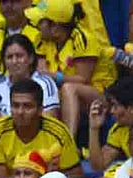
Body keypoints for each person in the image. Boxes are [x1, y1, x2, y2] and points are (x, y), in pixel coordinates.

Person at [24, 0, 118, 135]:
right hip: (61, 92)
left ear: (55, 27)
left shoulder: (83, 39)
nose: (36, 26)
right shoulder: (42, 39)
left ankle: (68, 141)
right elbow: (41, 71)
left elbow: (83, 79)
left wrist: (56, 77)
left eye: (41, 22)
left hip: (99, 94)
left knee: (69, 88)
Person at [0, 79, 83, 178]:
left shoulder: (59, 133)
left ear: (40, 110)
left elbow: (76, 177)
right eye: (15, 106)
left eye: (27, 106)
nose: (20, 112)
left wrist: (51, 177)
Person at [0, 33, 59, 125]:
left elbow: (49, 124)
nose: (14, 61)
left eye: (19, 56)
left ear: (31, 58)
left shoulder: (45, 83)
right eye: (9, 57)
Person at [0, 0, 40, 78]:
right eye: (4, 2)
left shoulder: (38, 34)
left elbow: (40, 71)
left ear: (27, 3)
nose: (8, 6)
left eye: (14, 1)